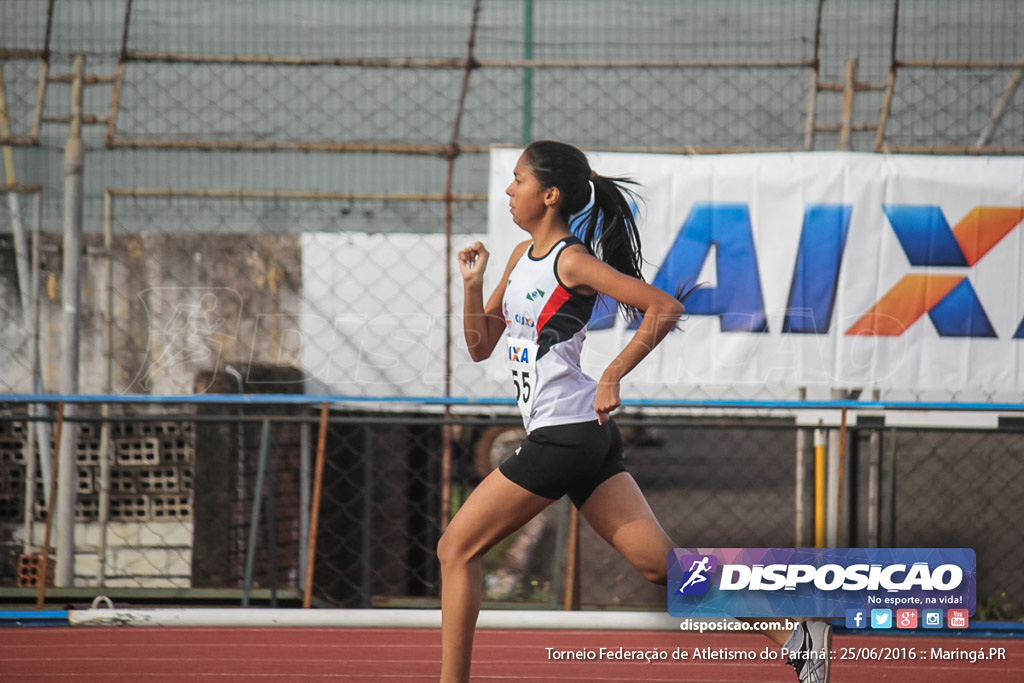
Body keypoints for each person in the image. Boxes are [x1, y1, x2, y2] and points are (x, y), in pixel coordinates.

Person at [437, 140, 832, 683]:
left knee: (455, 548)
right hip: (584, 436)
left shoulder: (570, 261)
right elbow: (481, 346)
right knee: (661, 567)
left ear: (549, 196)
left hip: (564, 436)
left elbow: (663, 306)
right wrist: (473, 285)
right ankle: (795, 633)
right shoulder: (519, 259)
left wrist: (613, 372)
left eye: (519, 179)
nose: (509, 189)